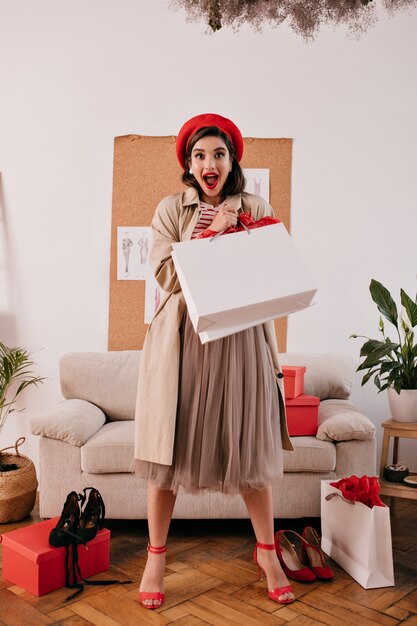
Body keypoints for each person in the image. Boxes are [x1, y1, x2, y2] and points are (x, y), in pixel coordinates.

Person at [133, 113, 295, 609]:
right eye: (200, 154)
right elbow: (167, 276)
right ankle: (155, 558)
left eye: (219, 154)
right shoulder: (170, 209)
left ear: (232, 161)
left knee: (249, 454)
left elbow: (273, 272)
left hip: (243, 343)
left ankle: (267, 553)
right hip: (185, 345)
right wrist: (210, 236)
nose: (210, 163)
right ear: (188, 162)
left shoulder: (256, 205)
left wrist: (240, 232)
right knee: (168, 455)